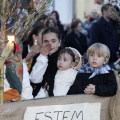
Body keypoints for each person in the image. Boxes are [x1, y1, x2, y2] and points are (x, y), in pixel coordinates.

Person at [29, 27, 63, 97]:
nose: (49, 44)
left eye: (53, 41)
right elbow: (34, 79)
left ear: (59, 42)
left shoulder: (65, 57)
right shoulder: (38, 57)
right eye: (46, 41)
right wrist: (43, 57)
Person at [90, 3, 120, 68]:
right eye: (111, 11)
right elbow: (93, 44)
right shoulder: (96, 26)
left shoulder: (111, 25)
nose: (113, 13)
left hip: (111, 58)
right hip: (102, 60)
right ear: (104, 12)